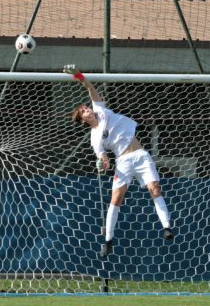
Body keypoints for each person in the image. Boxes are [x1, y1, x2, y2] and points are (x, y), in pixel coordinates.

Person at [65, 65, 174, 257]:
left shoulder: (101, 110)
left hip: (141, 155)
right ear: (83, 120)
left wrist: (79, 75)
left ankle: (166, 227)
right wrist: (102, 163)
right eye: (83, 111)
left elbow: (90, 88)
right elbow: (103, 158)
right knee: (116, 199)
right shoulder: (95, 138)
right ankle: (108, 240)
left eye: (85, 107)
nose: (87, 109)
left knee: (155, 188)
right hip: (123, 162)